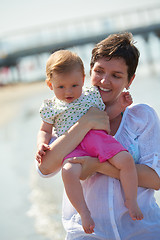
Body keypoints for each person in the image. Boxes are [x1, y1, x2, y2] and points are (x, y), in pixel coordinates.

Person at [37, 32, 160, 239]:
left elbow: (155, 179)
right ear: (89, 72)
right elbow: (45, 168)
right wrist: (85, 123)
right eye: (99, 71)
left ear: (130, 80)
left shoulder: (142, 117)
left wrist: (97, 165)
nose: (104, 80)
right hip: (88, 234)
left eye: (117, 75)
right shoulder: (62, 113)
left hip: (143, 231)